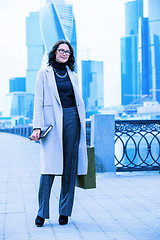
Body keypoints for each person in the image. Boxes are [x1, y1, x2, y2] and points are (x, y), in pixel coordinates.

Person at [30, 39, 88, 227]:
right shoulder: (43, 74)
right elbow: (38, 101)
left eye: (68, 52)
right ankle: (42, 213)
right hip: (52, 123)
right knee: (49, 168)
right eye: (61, 50)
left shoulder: (74, 76)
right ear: (54, 52)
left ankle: (64, 211)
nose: (64, 53)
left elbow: (77, 101)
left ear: (70, 56)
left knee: (69, 168)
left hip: (72, 118)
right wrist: (36, 126)